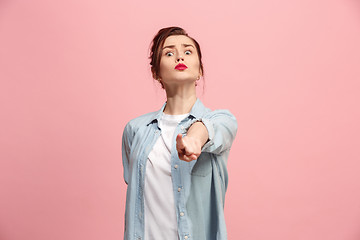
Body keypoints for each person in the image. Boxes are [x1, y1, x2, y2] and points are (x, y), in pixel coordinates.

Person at [121, 26, 238, 240]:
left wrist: (194, 140)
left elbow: (207, 129)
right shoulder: (135, 130)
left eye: (187, 51)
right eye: (168, 53)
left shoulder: (223, 120)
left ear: (200, 70)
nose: (178, 57)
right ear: (156, 73)